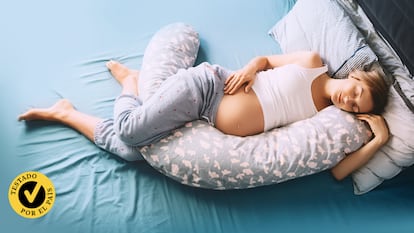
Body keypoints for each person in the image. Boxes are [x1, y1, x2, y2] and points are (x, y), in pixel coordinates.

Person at [18, 51, 390, 181]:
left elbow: (339, 172)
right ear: (354, 77)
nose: (349, 101)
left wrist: (380, 140)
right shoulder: (312, 64)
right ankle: (131, 83)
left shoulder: (325, 120)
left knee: (134, 153)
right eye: (356, 92)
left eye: (357, 107)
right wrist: (249, 69)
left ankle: (66, 113)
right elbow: (265, 61)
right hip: (206, 89)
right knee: (130, 133)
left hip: (207, 125)